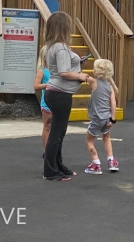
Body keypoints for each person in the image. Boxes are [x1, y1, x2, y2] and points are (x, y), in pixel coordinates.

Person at [43, 11, 89, 181]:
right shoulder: (61, 48)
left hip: (55, 92)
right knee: (57, 133)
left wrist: (78, 64)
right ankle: (50, 171)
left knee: (59, 132)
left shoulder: (52, 46)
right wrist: (81, 76)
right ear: (64, 27)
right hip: (60, 93)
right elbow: (63, 72)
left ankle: (58, 166)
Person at [83, 59, 119, 174]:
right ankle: (111, 162)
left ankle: (96, 164)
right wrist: (113, 119)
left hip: (97, 118)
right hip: (107, 118)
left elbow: (81, 77)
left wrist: (80, 65)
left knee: (89, 141)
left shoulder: (94, 82)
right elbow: (113, 102)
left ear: (97, 71)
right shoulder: (109, 86)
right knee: (106, 138)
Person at [33, 45, 51, 156]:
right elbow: (36, 86)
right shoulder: (42, 71)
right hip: (47, 102)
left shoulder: (57, 69)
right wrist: (47, 85)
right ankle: (46, 150)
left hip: (56, 102)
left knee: (56, 128)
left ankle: (53, 149)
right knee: (47, 126)